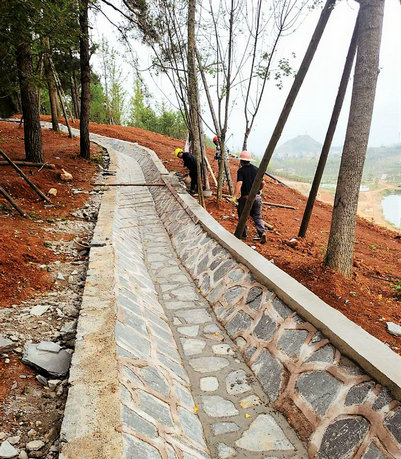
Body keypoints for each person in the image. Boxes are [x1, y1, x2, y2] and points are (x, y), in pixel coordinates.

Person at [230, 150, 266, 243]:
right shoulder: (256, 169)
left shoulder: (241, 171)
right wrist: (259, 190)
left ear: (241, 161)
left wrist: (234, 196)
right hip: (257, 197)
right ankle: (262, 233)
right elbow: (262, 183)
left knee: (242, 215)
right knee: (257, 216)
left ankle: (243, 234)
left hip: (246, 198)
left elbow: (239, 183)